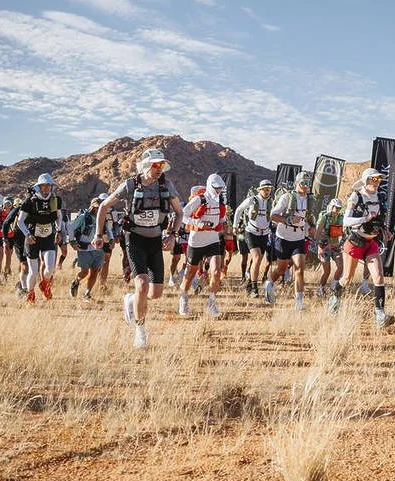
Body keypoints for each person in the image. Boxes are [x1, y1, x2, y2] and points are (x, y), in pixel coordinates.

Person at [95, 149, 182, 348]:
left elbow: (179, 212)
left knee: (155, 294)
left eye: (161, 165)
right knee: (142, 284)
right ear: (145, 165)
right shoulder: (129, 185)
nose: (159, 168)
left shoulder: (166, 186)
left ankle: (130, 299)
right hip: (134, 239)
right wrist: (98, 235)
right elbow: (104, 207)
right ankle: (140, 331)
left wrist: (172, 235)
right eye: (155, 164)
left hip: (156, 241)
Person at [330, 167, 395, 328]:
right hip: (354, 242)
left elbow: (379, 219)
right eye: (374, 179)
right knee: (347, 279)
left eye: (379, 179)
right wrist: (365, 218)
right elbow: (346, 221)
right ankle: (335, 297)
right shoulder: (356, 196)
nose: (377, 182)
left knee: (379, 278)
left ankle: (380, 315)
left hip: (371, 243)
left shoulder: (380, 197)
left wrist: (385, 231)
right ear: (366, 180)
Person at [177, 174, 226, 318]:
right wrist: (199, 224)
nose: (218, 191)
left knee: (216, 272)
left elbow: (221, 218)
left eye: (220, 188)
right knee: (190, 274)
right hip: (196, 242)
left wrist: (224, 223)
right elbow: (182, 215)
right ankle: (183, 297)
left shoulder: (220, 201)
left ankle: (211, 303)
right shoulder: (200, 199)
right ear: (210, 186)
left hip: (213, 241)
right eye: (216, 188)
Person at [266, 171, 315, 311]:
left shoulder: (309, 200)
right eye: (303, 183)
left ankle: (299, 302)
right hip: (283, 238)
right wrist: (288, 220)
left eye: (308, 183)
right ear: (296, 184)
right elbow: (273, 216)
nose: (306, 186)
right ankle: (269, 283)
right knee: (281, 269)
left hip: (299, 238)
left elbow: (310, 217)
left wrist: (312, 226)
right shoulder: (286, 198)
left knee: (300, 268)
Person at [17, 174, 64, 305]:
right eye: (43, 185)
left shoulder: (55, 200)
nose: (46, 188)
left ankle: (44, 284)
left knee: (49, 268)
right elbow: (20, 222)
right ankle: (30, 294)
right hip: (33, 237)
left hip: (49, 236)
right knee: (33, 270)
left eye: (48, 185)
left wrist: (58, 230)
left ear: (51, 186)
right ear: (39, 186)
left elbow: (59, 216)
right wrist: (27, 234)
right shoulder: (30, 201)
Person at [234, 179, 274, 298]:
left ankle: (249, 283)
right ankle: (254, 289)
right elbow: (238, 210)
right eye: (265, 189)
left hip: (264, 234)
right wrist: (235, 225)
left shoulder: (271, 201)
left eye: (269, 189)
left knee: (258, 260)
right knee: (256, 258)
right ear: (260, 190)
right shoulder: (252, 199)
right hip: (251, 232)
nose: (267, 191)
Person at [69, 195, 106, 300]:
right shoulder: (83, 217)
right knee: (85, 272)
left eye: (100, 207)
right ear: (92, 207)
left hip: (98, 249)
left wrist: (111, 240)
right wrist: (72, 241)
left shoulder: (104, 217)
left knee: (95, 271)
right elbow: (71, 227)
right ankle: (76, 281)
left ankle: (87, 293)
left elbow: (108, 229)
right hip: (84, 248)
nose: (98, 209)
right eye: (96, 207)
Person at [314, 198, 345, 298]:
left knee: (341, 267)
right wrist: (320, 244)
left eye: (339, 208)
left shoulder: (341, 217)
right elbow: (318, 232)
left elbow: (344, 231)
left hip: (336, 246)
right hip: (325, 246)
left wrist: (342, 242)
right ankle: (321, 288)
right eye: (336, 208)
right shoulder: (325, 216)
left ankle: (334, 286)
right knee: (327, 271)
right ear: (331, 207)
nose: (338, 210)